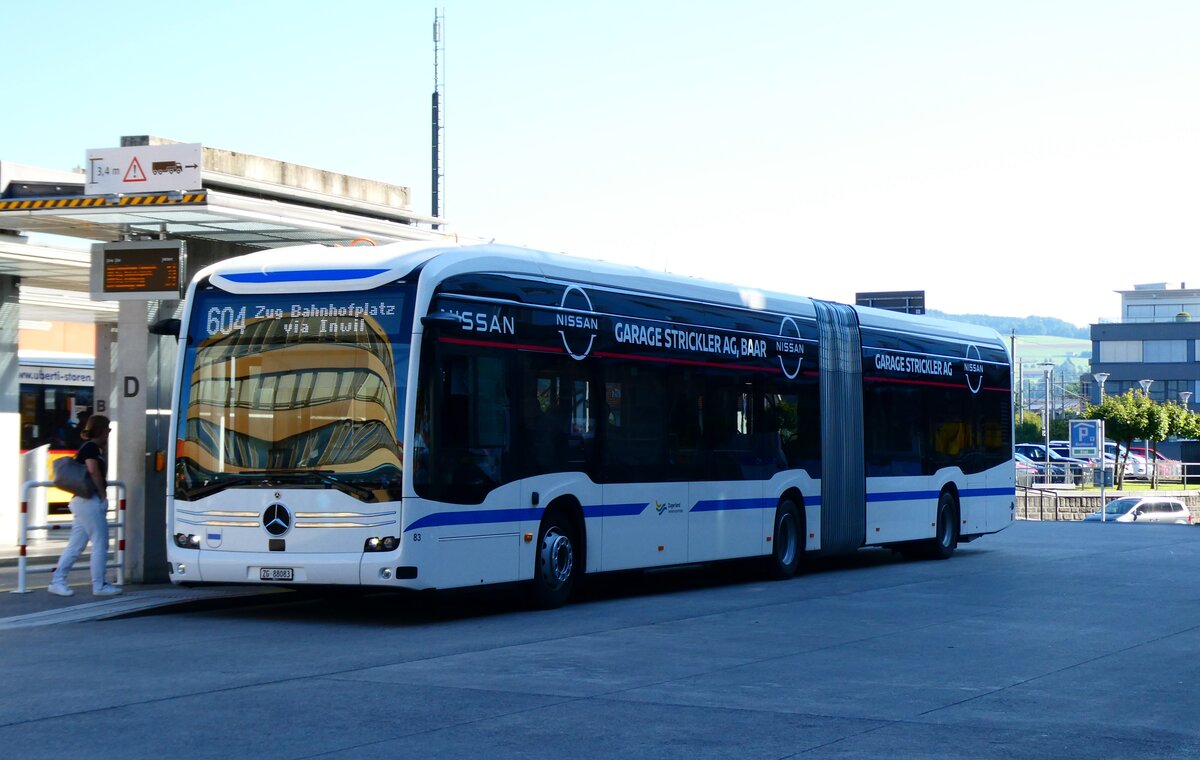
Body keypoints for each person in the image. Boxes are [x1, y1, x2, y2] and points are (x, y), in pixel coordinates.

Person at [47, 414, 122, 597]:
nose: (109, 434)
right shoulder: (91, 448)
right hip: (89, 500)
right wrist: (103, 495)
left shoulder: (90, 447)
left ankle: (57, 581)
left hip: (81, 501)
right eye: (108, 430)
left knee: (76, 546)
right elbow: (92, 470)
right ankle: (100, 585)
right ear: (103, 430)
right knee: (100, 543)